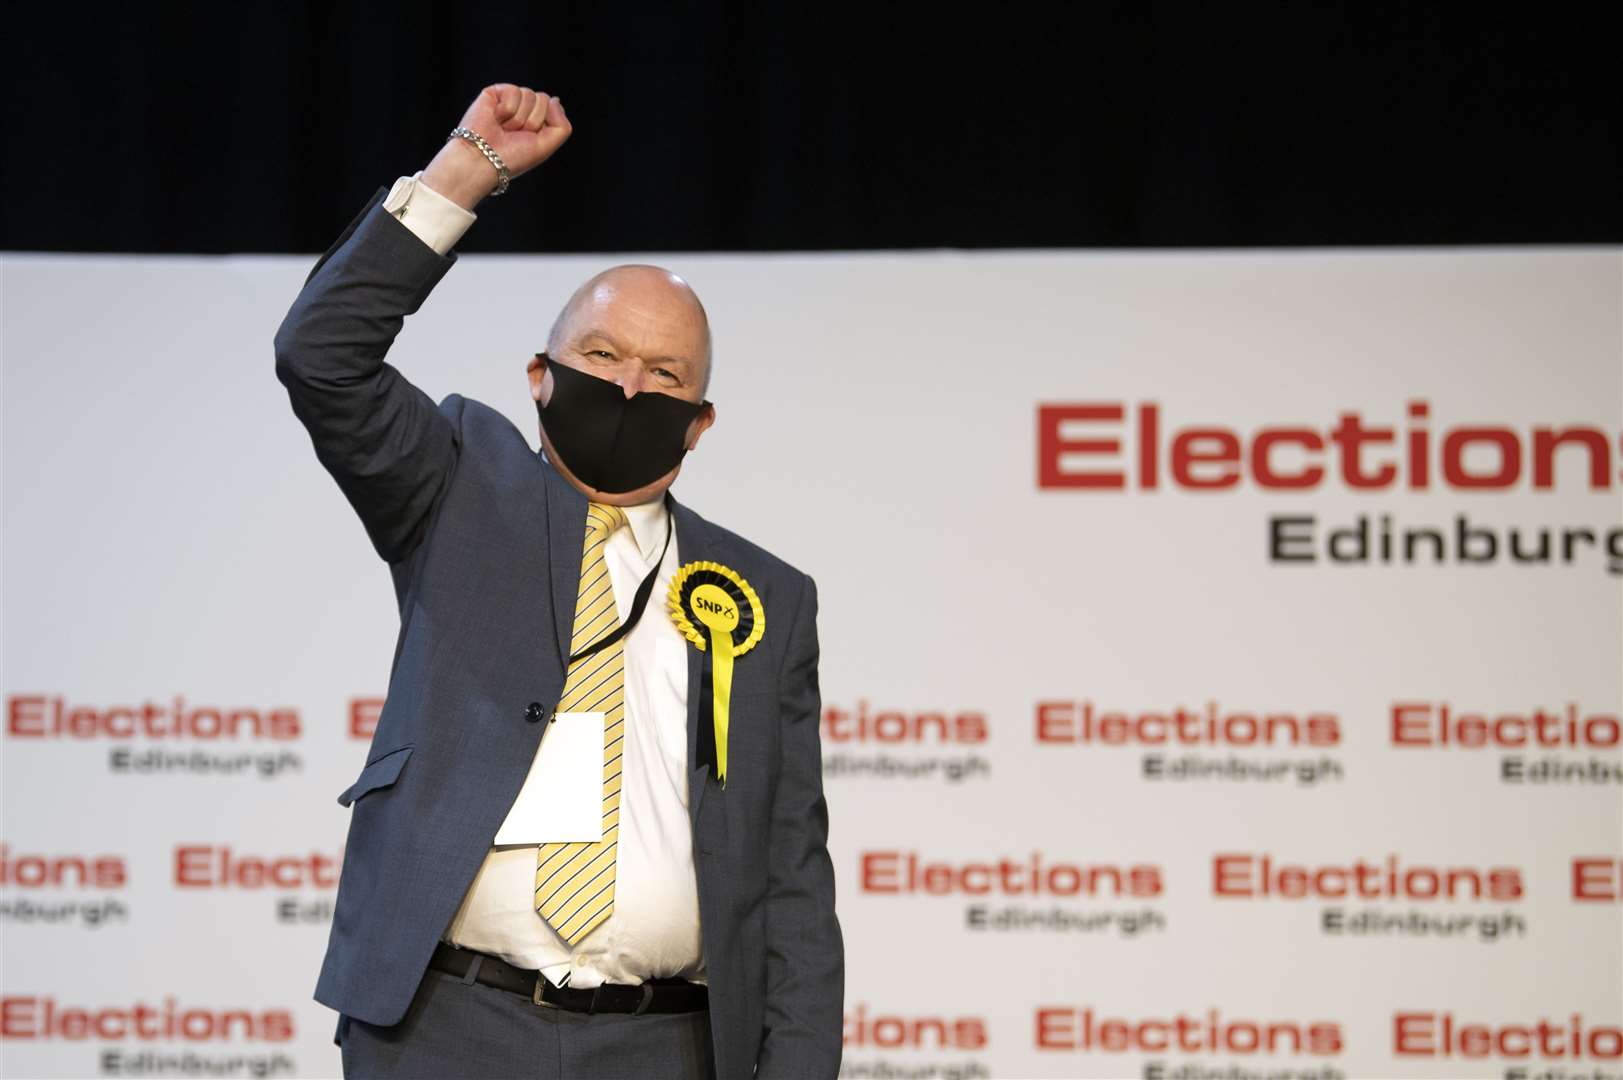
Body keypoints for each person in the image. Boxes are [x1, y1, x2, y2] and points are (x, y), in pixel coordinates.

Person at [273, 81, 843, 1079]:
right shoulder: (454, 484)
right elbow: (321, 356)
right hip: (446, 1026)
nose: (628, 386)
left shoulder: (764, 598)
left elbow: (789, 876)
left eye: (665, 374)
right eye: (603, 353)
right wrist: (466, 170)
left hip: (669, 1044)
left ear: (701, 419)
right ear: (539, 376)